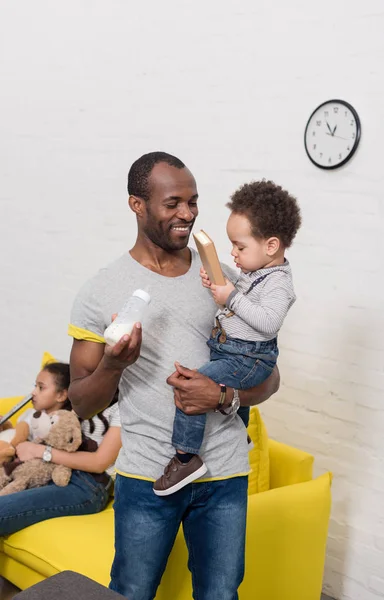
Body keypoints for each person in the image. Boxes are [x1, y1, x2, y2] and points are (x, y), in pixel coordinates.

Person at [68, 151, 280, 600]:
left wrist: (222, 396)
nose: (187, 213)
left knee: (221, 594)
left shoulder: (221, 277)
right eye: (173, 203)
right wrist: (113, 364)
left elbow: (270, 376)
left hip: (224, 473)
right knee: (131, 591)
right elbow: (81, 403)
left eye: (193, 201)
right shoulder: (100, 290)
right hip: (147, 476)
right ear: (137, 205)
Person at [155, 180, 301, 495]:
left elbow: (268, 321)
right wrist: (217, 284)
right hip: (230, 350)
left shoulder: (278, 284)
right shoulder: (256, 271)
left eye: (240, 246)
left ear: (271, 246)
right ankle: (239, 430)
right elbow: (238, 304)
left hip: (248, 357)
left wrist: (231, 296)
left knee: (194, 388)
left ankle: (185, 457)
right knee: (219, 380)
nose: (233, 253)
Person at [0, 362, 121, 536]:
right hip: (47, 470)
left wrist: (39, 452)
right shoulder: (81, 394)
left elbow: (99, 463)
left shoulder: (123, 408)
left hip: (87, 484)